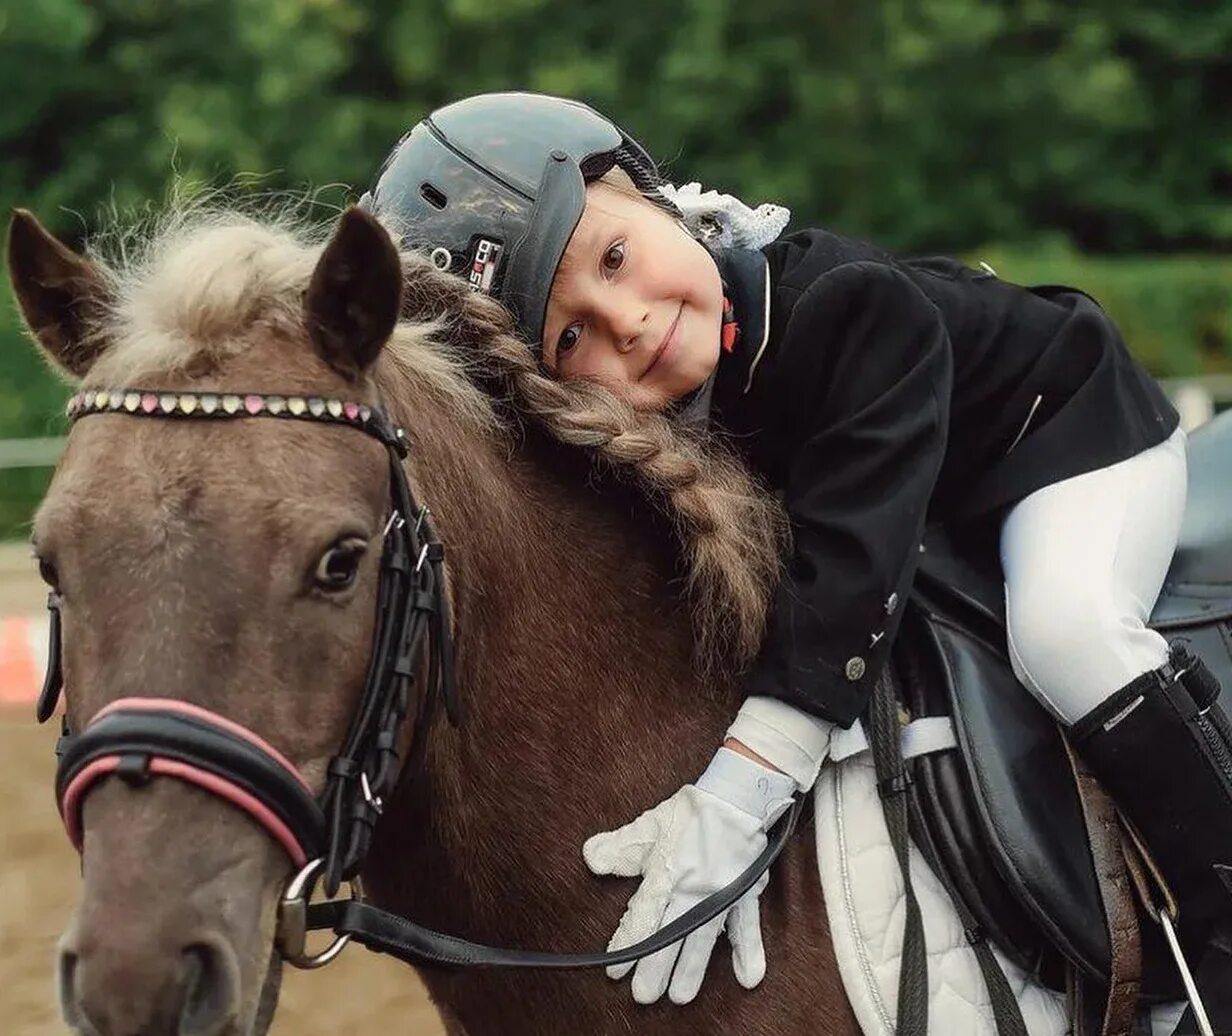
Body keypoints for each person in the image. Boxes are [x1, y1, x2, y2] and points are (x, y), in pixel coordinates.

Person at [360, 92, 1229, 1010]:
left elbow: (853, 566)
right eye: (569, 335)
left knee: (1069, 633)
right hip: (938, 497)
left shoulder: (842, 308)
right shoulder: (644, 420)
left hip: (1064, 437)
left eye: (613, 257)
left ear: (648, 193)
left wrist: (751, 780)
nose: (627, 321)